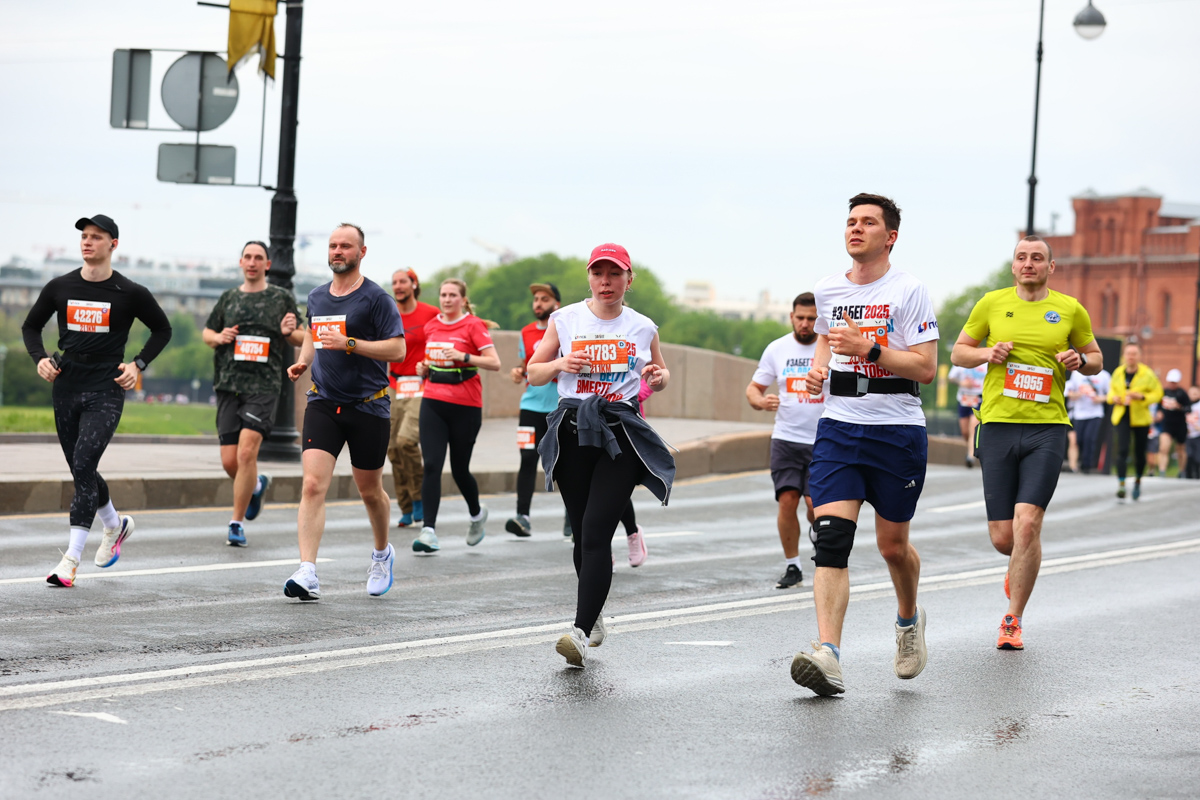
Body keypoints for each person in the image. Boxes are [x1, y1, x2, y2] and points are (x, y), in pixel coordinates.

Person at [790, 194, 939, 697]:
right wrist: (817, 372)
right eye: (851, 221)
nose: (855, 229)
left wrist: (871, 349)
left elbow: (926, 367)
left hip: (897, 429)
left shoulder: (909, 290)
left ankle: (908, 621)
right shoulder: (828, 288)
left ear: (890, 235)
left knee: (892, 547)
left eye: (868, 223)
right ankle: (828, 654)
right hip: (840, 426)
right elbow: (830, 341)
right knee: (830, 538)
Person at [951, 235, 1103, 651]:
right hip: (998, 422)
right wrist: (987, 354)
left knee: (1028, 522)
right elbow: (958, 354)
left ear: (1050, 267)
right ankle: (1019, 563)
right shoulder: (991, 303)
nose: (1029, 264)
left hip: (1047, 426)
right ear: (1013, 265)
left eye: (1037, 258)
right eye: (1022, 257)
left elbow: (1096, 359)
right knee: (1005, 537)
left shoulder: (1069, 308)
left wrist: (1079, 361)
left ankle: (1012, 619)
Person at [527, 243, 675, 668]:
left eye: (615, 274)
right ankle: (592, 616)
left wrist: (656, 376)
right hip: (574, 429)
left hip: (620, 434)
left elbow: (660, 375)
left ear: (629, 280)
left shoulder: (643, 327)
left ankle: (578, 628)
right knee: (580, 530)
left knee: (595, 531)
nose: (606, 282)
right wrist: (560, 364)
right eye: (599, 274)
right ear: (589, 278)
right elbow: (533, 372)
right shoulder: (566, 319)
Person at [22, 214, 172, 587]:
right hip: (67, 382)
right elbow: (30, 325)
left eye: (96, 237)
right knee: (80, 467)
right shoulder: (60, 286)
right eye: (84, 237)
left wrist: (138, 365)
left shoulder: (129, 292)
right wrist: (39, 357)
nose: (87, 242)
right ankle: (115, 525)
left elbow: (162, 329)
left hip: (106, 386)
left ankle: (71, 560)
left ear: (113, 245)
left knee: (84, 461)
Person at [282, 224, 406, 601]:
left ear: (361, 252)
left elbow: (398, 350)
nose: (338, 251)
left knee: (369, 491)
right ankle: (308, 571)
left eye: (346, 246)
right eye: (333, 245)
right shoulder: (317, 296)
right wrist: (303, 361)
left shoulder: (376, 299)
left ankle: (382, 554)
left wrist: (351, 343)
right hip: (323, 402)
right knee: (312, 484)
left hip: (369, 406)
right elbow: (313, 335)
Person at [203, 241, 306, 546]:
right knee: (229, 460)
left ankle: (236, 523)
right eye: (247, 257)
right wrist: (219, 337)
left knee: (247, 453)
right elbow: (208, 333)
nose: (252, 262)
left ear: (267, 264)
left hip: (263, 386)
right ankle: (257, 484)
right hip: (228, 383)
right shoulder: (229, 298)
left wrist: (290, 330)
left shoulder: (280, 297)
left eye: (258, 257)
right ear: (240, 262)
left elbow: (301, 336)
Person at [410, 279, 502, 552]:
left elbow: (494, 363)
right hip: (433, 402)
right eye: (443, 294)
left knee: (460, 469)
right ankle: (428, 532)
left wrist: (463, 356)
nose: (447, 299)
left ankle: (476, 515)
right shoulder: (431, 326)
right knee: (432, 465)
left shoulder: (473, 325)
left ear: (463, 299)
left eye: (453, 295)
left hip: (466, 406)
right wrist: (423, 368)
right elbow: (431, 359)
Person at [746, 291, 826, 589]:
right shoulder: (777, 349)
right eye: (800, 318)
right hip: (786, 438)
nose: (805, 324)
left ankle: (820, 535)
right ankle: (793, 566)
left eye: (811, 319)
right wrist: (760, 402)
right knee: (787, 501)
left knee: (814, 505)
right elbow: (753, 389)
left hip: (823, 439)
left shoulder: (829, 347)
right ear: (792, 317)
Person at [507, 282, 564, 537]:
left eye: (544, 299)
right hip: (530, 407)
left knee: (563, 464)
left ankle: (572, 518)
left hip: (559, 408)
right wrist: (519, 372)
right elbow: (526, 364)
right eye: (536, 299)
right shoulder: (526, 332)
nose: (538, 303)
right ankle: (522, 517)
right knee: (527, 459)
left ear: (556, 305)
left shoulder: (566, 330)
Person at [386, 268, 440, 527]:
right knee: (391, 447)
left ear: (414, 285)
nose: (398, 286)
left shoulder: (429, 313)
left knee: (406, 441)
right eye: (394, 282)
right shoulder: (389, 312)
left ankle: (419, 498)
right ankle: (406, 507)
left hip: (420, 385)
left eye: (403, 282)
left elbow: (446, 334)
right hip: (394, 384)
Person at [1107, 342, 1163, 501]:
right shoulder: (1118, 372)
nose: (1131, 357)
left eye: (1134, 354)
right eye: (1128, 353)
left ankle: (1138, 480)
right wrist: (1114, 398)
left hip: (1140, 418)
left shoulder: (1147, 374)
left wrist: (1143, 397)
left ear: (1139, 356)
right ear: (1124, 355)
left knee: (1139, 452)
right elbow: (1111, 391)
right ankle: (1122, 485)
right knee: (1122, 450)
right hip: (1122, 415)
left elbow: (1158, 393)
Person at [1065, 366, 1111, 474]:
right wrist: (1078, 394)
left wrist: (1100, 399)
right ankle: (1078, 463)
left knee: (1089, 438)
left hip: (1095, 413)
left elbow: (1110, 395)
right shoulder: (1076, 374)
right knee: (1078, 440)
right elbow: (1069, 392)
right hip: (1079, 413)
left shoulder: (1104, 375)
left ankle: (1087, 465)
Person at [947, 364, 986, 467]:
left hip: (979, 399)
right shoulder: (962, 360)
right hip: (964, 399)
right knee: (965, 432)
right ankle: (971, 448)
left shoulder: (986, 362)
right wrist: (961, 383)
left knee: (973, 428)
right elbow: (951, 377)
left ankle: (970, 457)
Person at [1156, 368, 1191, 476]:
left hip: (1180, 425)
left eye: (1174, 382)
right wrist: (1159, 413)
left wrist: (1178, 407)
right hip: (1167, 424)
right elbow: (1159, 407)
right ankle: (1162, 471)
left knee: (1180, 450)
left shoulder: (1182, 393)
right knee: (1163, 448)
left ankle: (1181, 471)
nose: (1172, 384)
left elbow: (1188, 409)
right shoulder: (1164, 392)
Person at [1185, 386, 1200, 479]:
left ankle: (1197, 475)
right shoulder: (1186, 405)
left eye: (1195, 393)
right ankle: (1188, 475)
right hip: (1189, 435)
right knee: (1189, 455)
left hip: (1198, 434)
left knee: (1198, 457)